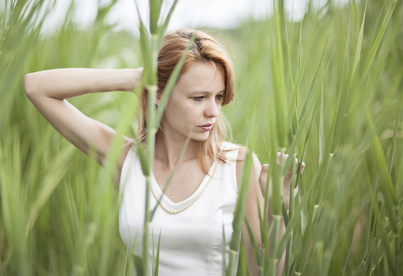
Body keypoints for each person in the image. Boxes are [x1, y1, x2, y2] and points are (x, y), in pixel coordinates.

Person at [24, 28, 302, 276]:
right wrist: (137, 78)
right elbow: (36, 87)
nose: (213, 111)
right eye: (198, 97)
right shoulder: (127, 159)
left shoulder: (238, 166)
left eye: (218, 97)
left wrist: (279, 211)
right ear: (159, 93)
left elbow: (262, 271)